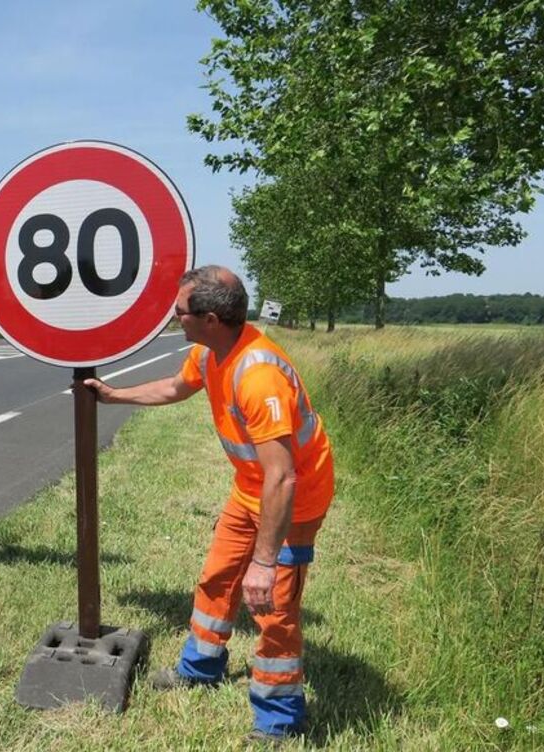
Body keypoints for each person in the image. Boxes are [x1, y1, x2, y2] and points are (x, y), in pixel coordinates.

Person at [85, 266, 335, 743]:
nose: (174, 318)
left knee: (275, 608)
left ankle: (279, 721)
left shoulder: (258, 375)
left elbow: (283, 476)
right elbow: (173, 388)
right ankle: (200, 668)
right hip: (250, 490)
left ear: (212, 319)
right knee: (217, 577)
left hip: (292, 501)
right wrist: (114, 396)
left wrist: (264, 562)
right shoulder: (209, 353)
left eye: (180, 312)